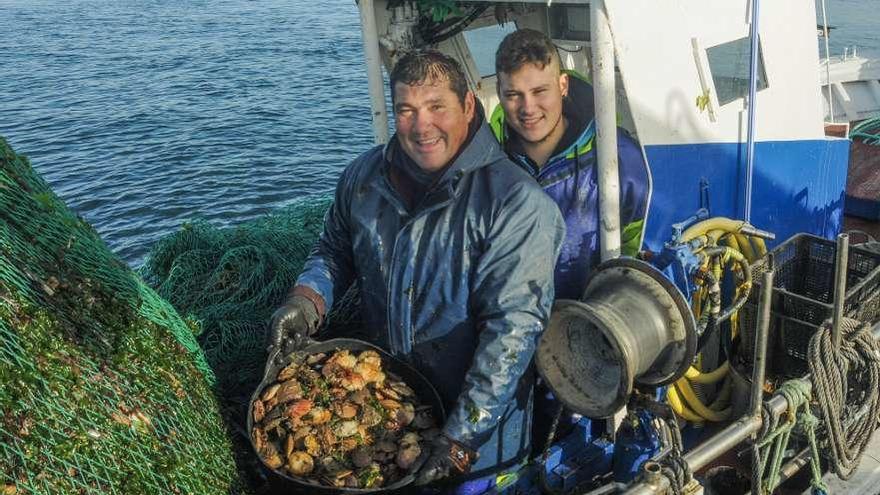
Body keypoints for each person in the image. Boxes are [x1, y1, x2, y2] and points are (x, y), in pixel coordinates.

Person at [268, 50, 565, 487]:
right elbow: (334, 250)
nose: (421, 125)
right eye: (406, 110)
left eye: (436, 107)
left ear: (467, 106)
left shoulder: (516, 204)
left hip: (484, 434)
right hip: (393, 410)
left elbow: (513, 332)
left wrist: (461, 438)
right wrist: (306, 300)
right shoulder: (363, 177)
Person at [492, 28, 651, 300]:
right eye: (513, 95)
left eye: (540, 91)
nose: (528, 108)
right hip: (506, 326)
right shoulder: (488, 163)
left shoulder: (619, 160)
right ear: (498, 92)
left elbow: (636, 249)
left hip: (585, 322)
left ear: (563, 85)